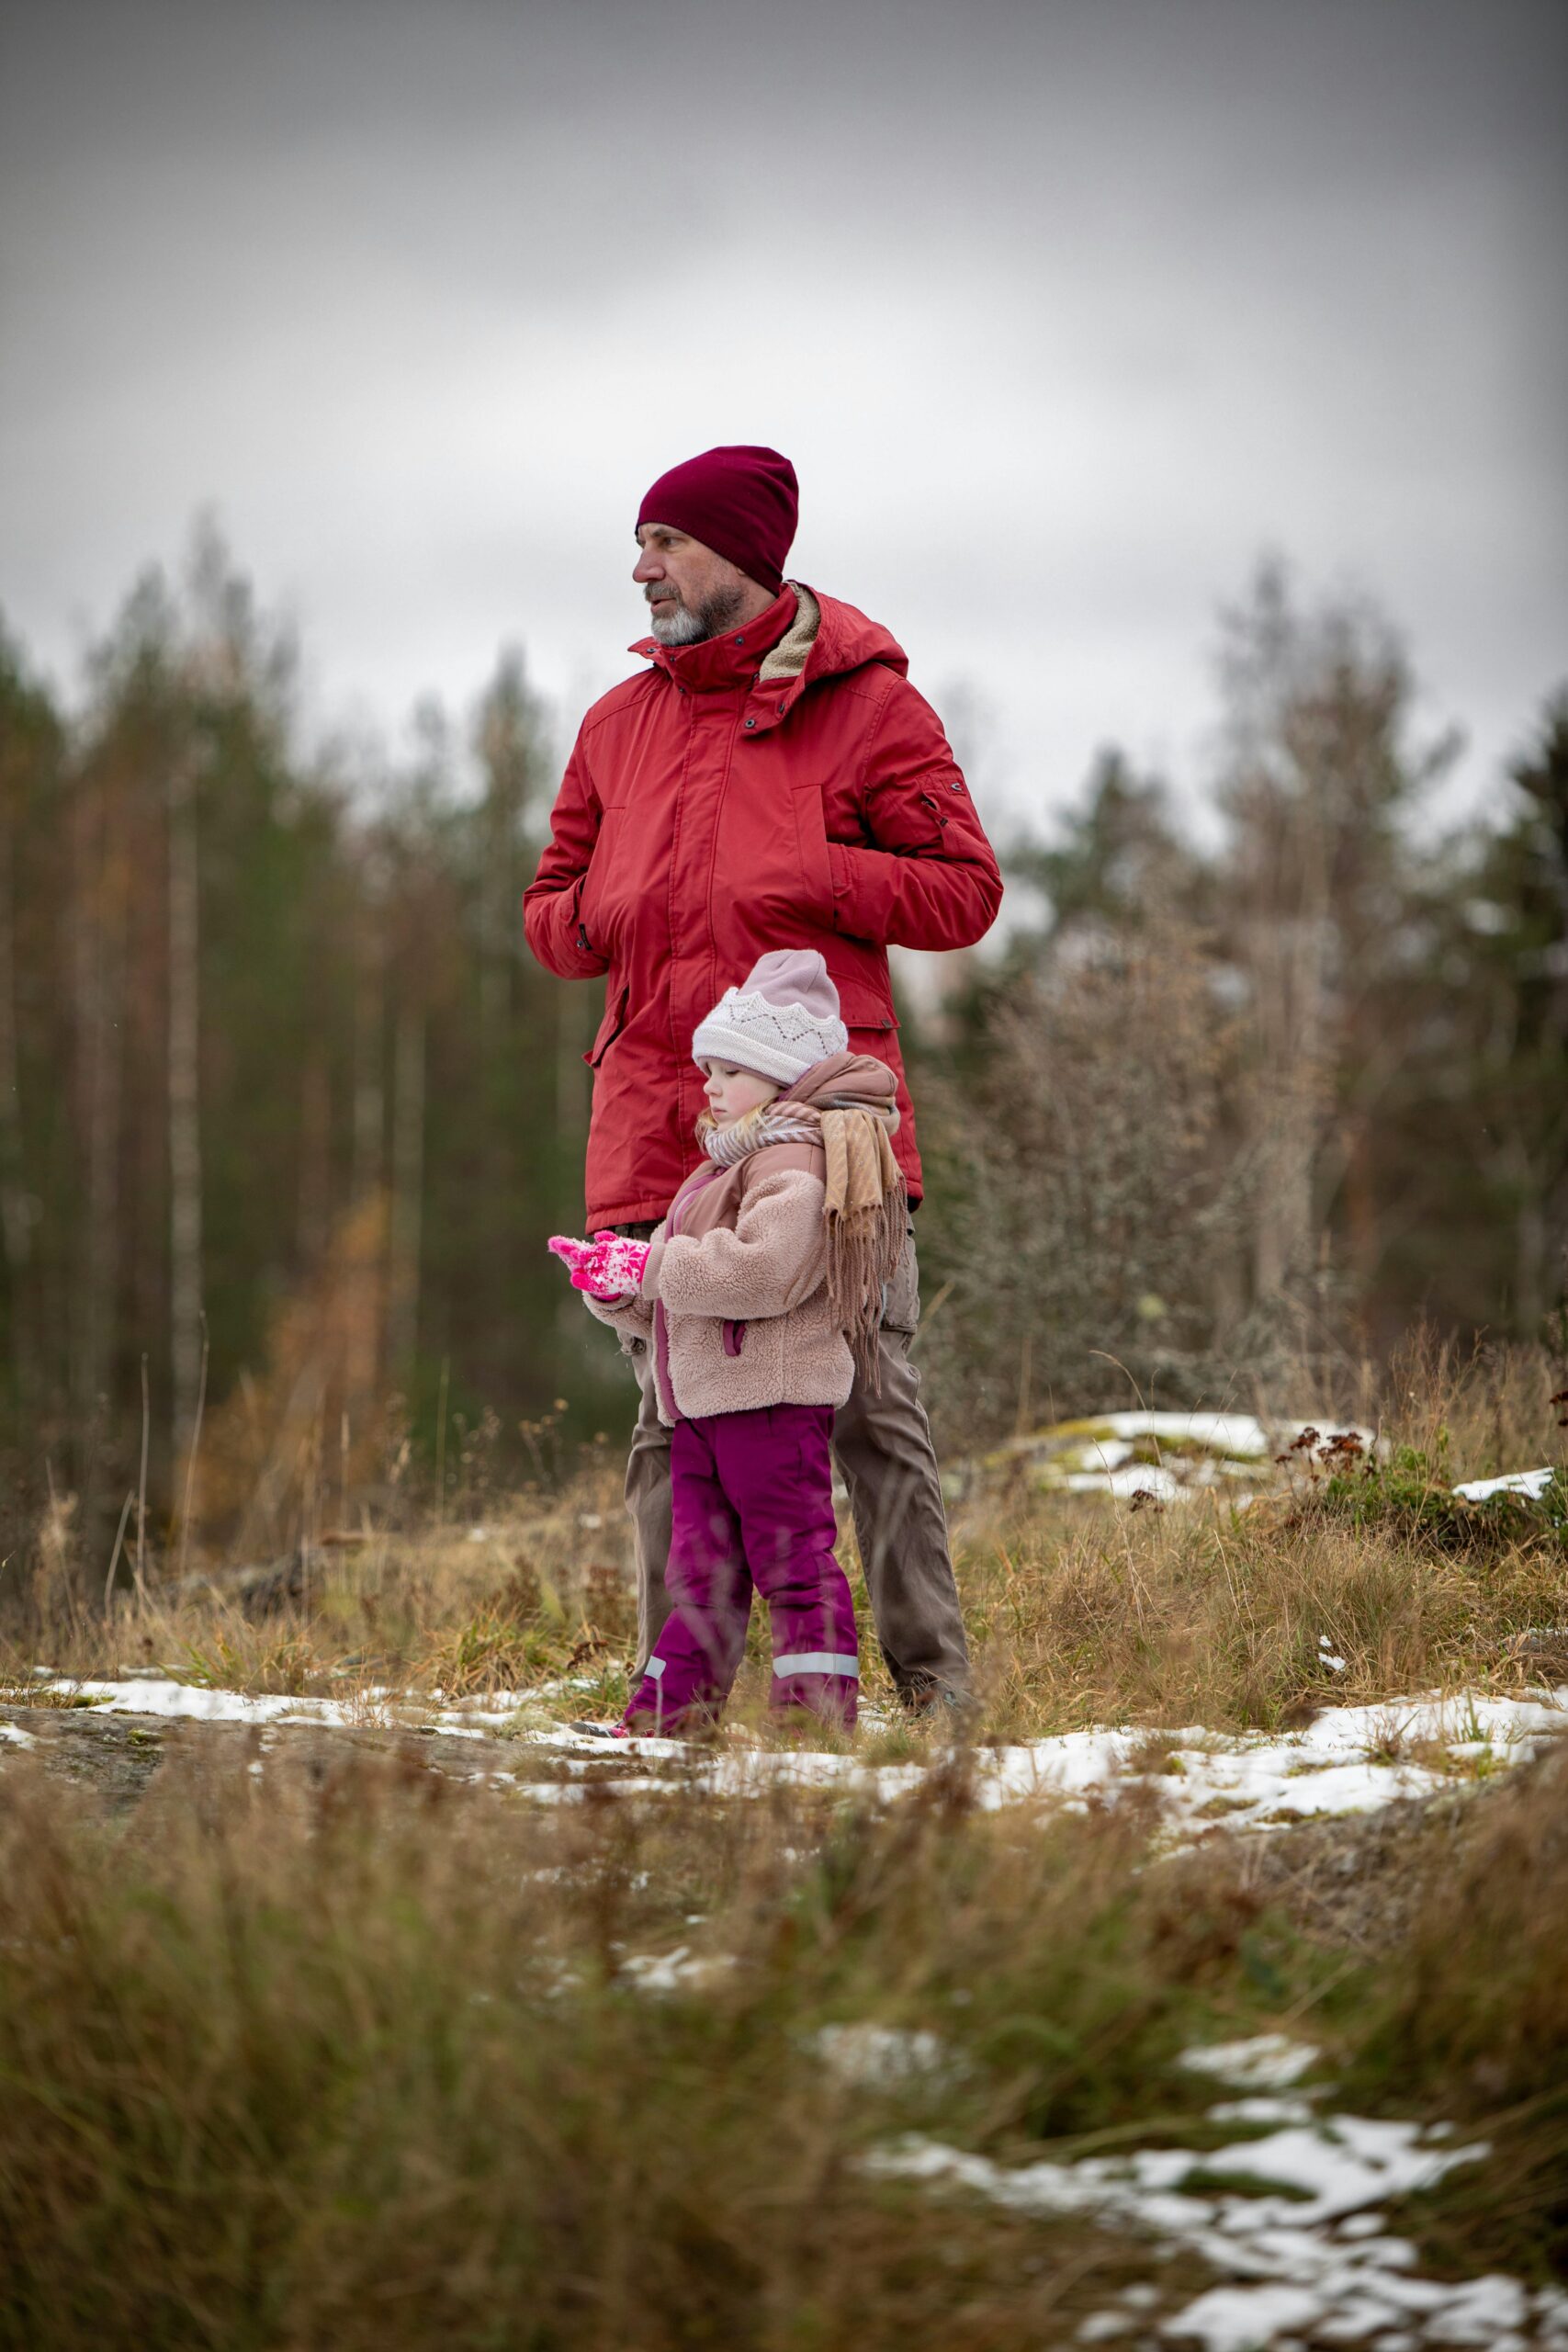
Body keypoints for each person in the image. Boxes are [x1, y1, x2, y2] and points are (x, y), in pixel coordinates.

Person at [524, 445, 1002, 1713]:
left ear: (744, 556)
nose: (641, 568)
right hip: (654, 1133)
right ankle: (679, 1714)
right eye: (639, 542)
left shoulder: (867, 702)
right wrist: (606, 918)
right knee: (670, 1432)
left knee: (867, 1421)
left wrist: (811, 871)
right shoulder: (615, 725)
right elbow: (548, 908)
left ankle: (932, 1710)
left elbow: (964, 893)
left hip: (822, 1138)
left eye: (667, 542)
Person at [550, 951, 903, 1736]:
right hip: (710, 1413)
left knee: (794, 1571)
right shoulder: (721, 1169)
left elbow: (765, 1274)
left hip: (772, 1408)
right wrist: (620, 1294)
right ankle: (667, 1722)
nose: (707, 1083)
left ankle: (814, 1725)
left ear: (778, 1076)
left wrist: (650, 1265)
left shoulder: (794, 1161)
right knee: (701, 1579)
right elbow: (690, 1306)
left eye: (726, 1069)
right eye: (707, 1066)